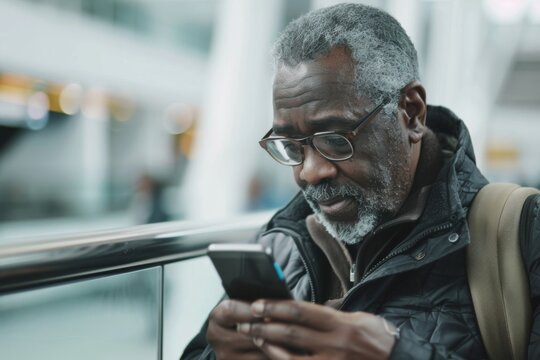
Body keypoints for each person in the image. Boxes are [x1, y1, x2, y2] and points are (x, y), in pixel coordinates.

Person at [181, 3, 540, 359]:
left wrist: (394, 354)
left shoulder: (524, 233)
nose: (309, 172)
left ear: (412, 113)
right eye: (291, 146)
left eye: (336, 139)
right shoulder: (281, 241)